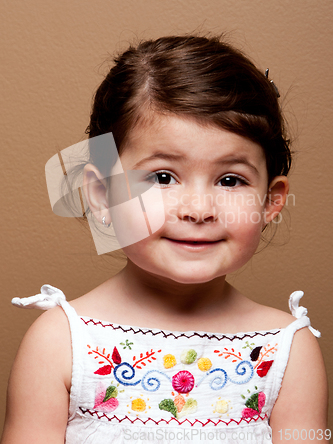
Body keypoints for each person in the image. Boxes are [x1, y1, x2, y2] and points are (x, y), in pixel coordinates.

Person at [1, 35, 328, 444]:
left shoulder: (286, 352)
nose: (198, 209)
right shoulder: (60, 342)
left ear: (269, 202)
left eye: (230, 179)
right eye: (162, 177)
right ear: (102, 195)